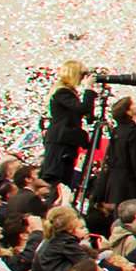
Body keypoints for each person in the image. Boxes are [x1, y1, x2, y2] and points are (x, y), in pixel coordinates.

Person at [41, 64, 94, 203]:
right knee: (59, 181)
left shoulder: (67, 93)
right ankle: (55, 208)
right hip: (60, 142)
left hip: (65, 141)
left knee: (64, 180)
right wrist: (88, 89)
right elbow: (82, 108)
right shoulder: (62, 93)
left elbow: (86, 113)